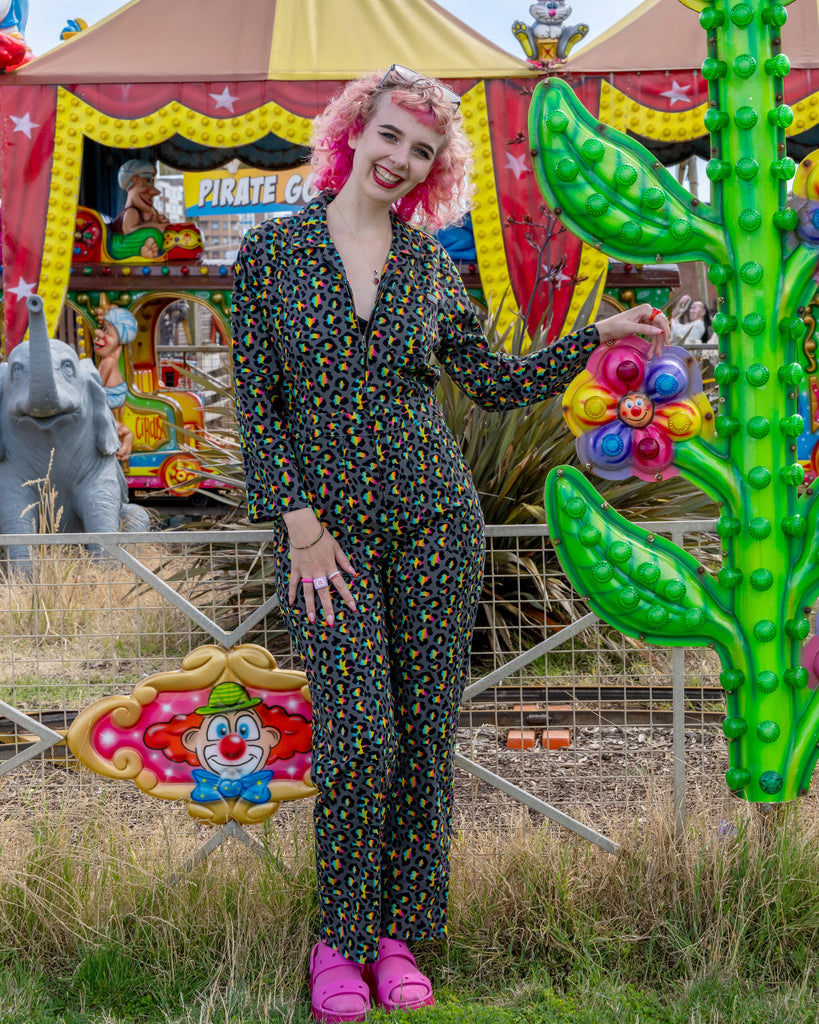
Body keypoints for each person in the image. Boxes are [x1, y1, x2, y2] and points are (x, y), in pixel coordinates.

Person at [231, 65, 670, 1024]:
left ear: (434, 170)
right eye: (389, 136)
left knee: (425, 739)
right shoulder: (272, 254)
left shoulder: (430, 266)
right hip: (328, 546)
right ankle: (338, 942)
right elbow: (255, 404)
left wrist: (597, 333)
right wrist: (299, 525)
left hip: (436, 525)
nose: (398, 159)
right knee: (357, 742)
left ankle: (400, 939)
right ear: (355, 130)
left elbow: (496, 382)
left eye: (420, 151)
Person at [93, 305, 138, 461]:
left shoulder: (107, 362)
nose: (98, 333)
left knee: (98, 415)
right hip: (118, 391)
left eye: (105, 330)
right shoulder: (116, 349)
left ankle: (126, 434)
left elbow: (97, 385)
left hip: (111, 396)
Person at [109, 159, 169, 259]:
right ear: (135, 180)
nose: (156, 192)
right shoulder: (131, 211)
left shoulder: (142, 211)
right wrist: (157, 226)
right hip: (119, 246)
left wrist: (155, 220)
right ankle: (144, 251)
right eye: (148, 183)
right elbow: (129, 230)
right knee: (153, 233)